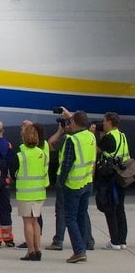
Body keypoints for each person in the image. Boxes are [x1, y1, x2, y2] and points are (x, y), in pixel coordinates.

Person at [58, 110, 96, 263]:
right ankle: (84, 246)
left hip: (73, 184)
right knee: (81, 216)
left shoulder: (72, 140)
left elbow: (67, 163)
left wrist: (61, 180)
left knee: (70, 218)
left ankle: (79, 250)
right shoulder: (91, 136)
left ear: (74, 122)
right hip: (87, 181)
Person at [12, 122, 48, 261]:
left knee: (27, 222)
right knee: (36, 221)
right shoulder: (42, 153)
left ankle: (31, 251)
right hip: (39, 192)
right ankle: (38, 249)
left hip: (25, 192)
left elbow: (14, 173)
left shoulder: (20, 155)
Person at [95, 111, 128, 250]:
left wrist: (94, 134)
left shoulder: (108, 137)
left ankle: (114, 241)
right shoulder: (122, 135)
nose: (102, 124)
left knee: (109, 207)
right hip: (122, 176)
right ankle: (122, 240)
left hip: (109, 177)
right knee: (120, 207)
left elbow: (95, 150)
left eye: (104, 121)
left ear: (109, 122)